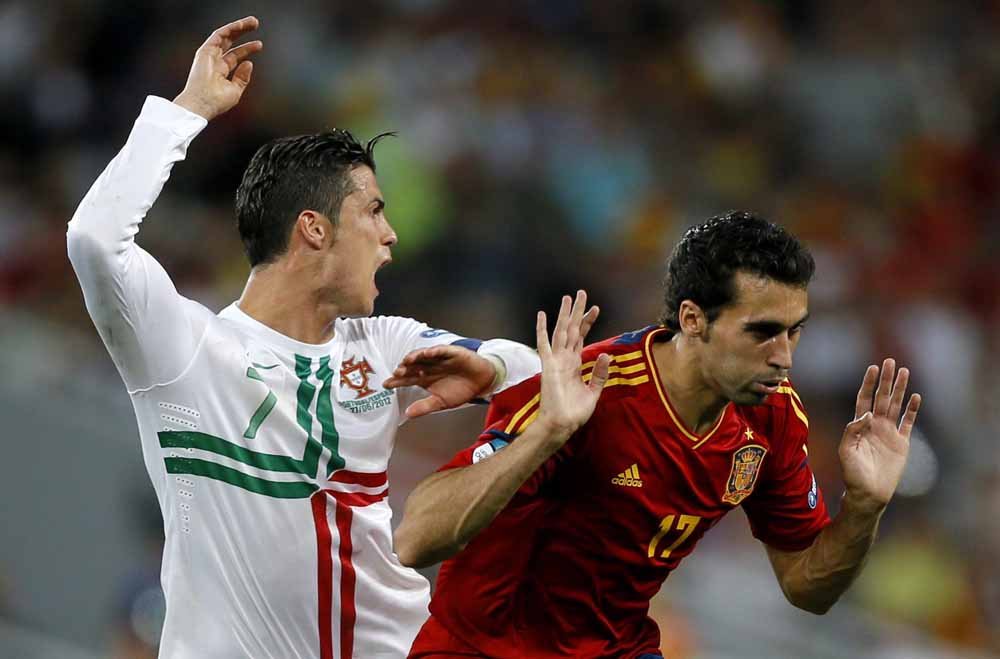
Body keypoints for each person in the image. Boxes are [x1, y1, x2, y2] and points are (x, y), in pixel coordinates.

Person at [66, 16, 546, 659]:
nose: (391, 235)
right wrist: (189, 109)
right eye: (374, 211)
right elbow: (94, 239)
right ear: (314, 229)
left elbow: (534, 373)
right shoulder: (185, 351)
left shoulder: (383, 348)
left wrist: (494, 372)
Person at [395, 212, 923, 659]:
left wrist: (864, 505)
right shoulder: (586, 390)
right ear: (692, 319)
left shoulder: (772, 417)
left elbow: (808, 589)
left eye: (794, 331)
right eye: (762, 332)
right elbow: (416, 539)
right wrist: (548, 434)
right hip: (483, 649)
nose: (783, 357)